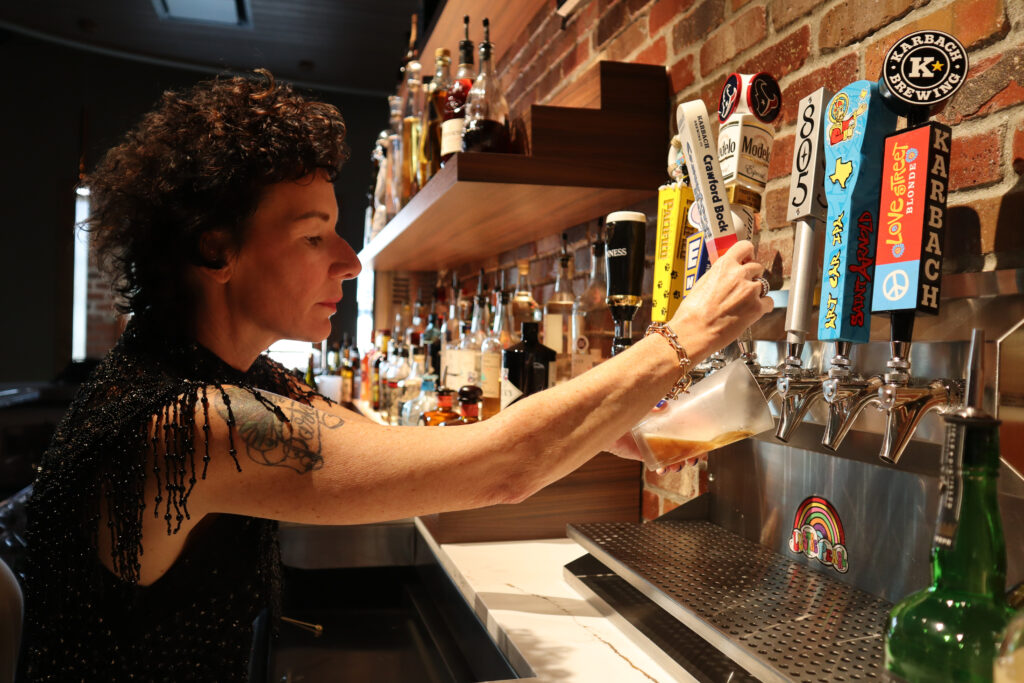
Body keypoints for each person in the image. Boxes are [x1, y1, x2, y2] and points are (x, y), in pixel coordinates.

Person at [21, 70, 772, 681]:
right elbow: (498, 469)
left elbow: (394, 442)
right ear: (217, 250)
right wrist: (682, 337)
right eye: (315, 235)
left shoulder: (221, 380)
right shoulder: (188, 424)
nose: (350, 261)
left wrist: (600, 424)